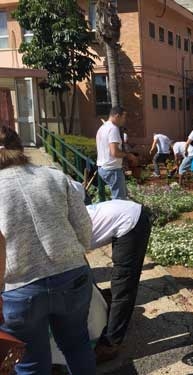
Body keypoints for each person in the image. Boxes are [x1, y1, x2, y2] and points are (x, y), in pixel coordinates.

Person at [0, 126, 96, 375]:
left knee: (31, 362)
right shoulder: (54, 176)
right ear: (21, 148)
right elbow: (84, 226)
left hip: (19, 288)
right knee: (78, 346)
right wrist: (76, 251)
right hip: (72, 275)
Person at [85, 199, 152, 363]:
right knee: (114, 285)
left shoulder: (59, 236)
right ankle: (110, 309)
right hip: (122, 213)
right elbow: (84, 268)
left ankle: (111, 343)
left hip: (132, 221)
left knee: (124, 284)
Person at [96, 106, 136, 199]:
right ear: (117, 116)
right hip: (112, 169)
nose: (124, 120)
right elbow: (115, 153)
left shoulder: (102, 128)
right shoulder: (113, 129)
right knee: (119, 201)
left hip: (103, 168)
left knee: (120, 197)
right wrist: (129, 155)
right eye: (124, 117)